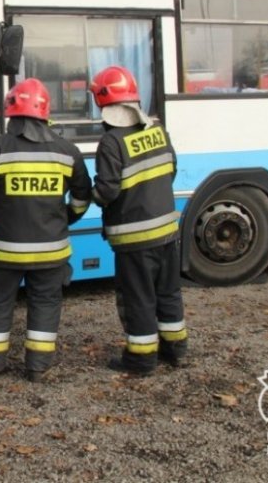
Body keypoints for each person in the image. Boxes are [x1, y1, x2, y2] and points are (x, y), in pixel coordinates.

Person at [0, 78, 92, 383]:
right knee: (45, 303)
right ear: (46, 112)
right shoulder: (67, 152)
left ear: (11, 112)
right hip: (52, 251)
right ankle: (38, 367)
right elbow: (83, 197)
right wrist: (65, 219)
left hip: (7, 252)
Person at [89, 65, 188, 376]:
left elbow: (107, 191)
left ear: (102, 101)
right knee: (168, 292)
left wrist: (91, 195)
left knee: (139, 298)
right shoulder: (158, 131)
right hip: (167, 231)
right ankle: (175, 351)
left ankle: (141, 360)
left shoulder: (111, 142)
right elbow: (171, 169)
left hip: (134, 239)